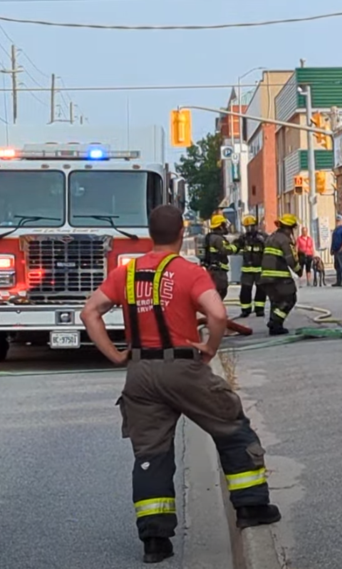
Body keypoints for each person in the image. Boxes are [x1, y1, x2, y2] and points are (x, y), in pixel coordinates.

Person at [81, 205, 281, 564]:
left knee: (150, 454)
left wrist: (114, 354)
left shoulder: (125, 274)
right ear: (180, 232)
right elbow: (218, 314)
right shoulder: (190, 272)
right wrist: (210, 347)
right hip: (183, 368)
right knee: (232, 428)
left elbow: (90, 311)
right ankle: (252, 507)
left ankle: (155, 542)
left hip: (140, 373)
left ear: (149, 232)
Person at [261, 213, 302, 336]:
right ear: (289, 227)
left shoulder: (271, 237)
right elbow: (291, 259)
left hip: (265, 277)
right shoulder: (285, 240)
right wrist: (299, 270)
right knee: (290, 298)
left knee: (276, 301)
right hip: (279, 276)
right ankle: (275, 321)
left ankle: (275, 327)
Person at [233, 215, 267, 318]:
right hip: (247, 270)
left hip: (260, 269)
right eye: (247, 227)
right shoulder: (243, 238)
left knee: (261, 290)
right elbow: (235, 247)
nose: (249, 229)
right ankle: (245, 309)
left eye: (251, 227)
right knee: (245, 290)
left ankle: (259, 309)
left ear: (255, 226)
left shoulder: (263, 238)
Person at [202, 213, 232, 299]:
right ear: (220, 226)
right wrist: (236, 246)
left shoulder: (209, 237)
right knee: (222, 289)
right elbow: (226, 250)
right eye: (224, 225)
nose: (226, 227)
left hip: (211, 268)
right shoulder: (218, 239)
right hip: (218, 271)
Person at [330, 214, 342, 286]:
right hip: (336, 251)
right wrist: (332, 249)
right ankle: (338, 281)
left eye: (339, 220)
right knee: (337, 266)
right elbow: (334, 240)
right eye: (337, 220)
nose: (338, 222)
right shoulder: (336, 229)